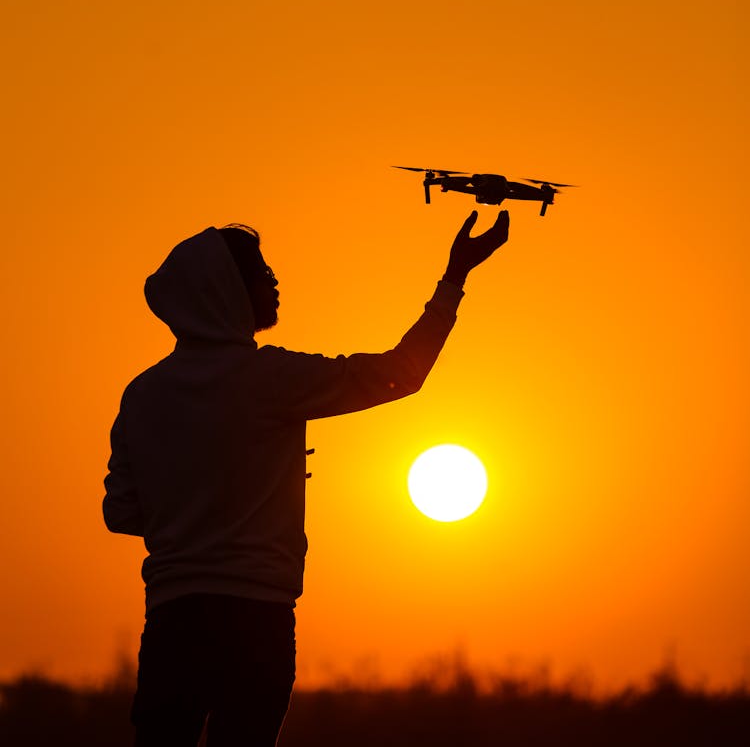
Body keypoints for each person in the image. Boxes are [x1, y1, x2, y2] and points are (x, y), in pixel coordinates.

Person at [103, 208, 510, 745]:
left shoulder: (142, 394)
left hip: (172, 621)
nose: (273, 282)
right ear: (225, 292)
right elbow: (401, 374)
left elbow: (122, 514)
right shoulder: (271, 378)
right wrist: (455, 276)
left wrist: (196, 500)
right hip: (257, 620)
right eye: (259, 274)